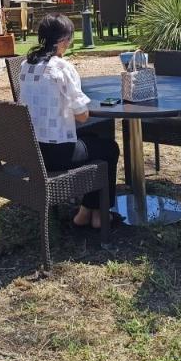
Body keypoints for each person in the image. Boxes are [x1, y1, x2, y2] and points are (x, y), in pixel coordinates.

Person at [19, 13, 121, 229]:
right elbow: (82, 116)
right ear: (63, 41)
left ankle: (87, 212)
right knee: (109, 148)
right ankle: (98, 215)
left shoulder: (25, 66)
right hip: (58, 155)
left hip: (31, 151)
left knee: (93, 141)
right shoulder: (62, 68)